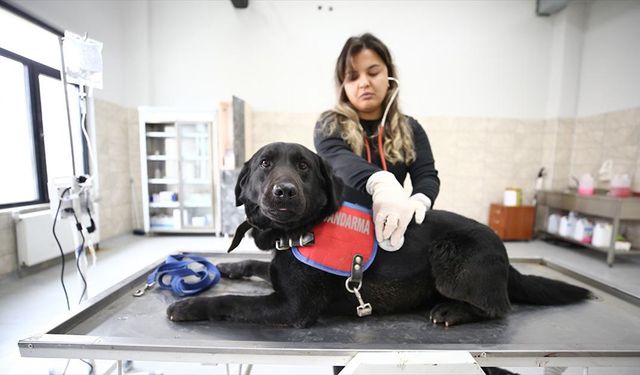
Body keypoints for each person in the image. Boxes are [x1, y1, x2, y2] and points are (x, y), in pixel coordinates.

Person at [314, 33, 440, 252]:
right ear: (343, 85)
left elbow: (427, 176)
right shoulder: (329, 124)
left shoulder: (411, 128)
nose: (364, 83)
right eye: (353, 77)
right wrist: (382, 183)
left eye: (373, 72)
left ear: (389, 76)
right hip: (341, 236)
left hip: (394, 234)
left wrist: (419, 202)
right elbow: (340, 162)